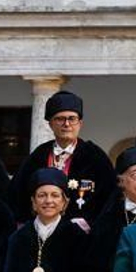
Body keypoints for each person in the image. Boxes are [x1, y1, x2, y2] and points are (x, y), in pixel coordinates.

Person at [9, 90, 115, 224]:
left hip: (83, 237)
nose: (66, 124)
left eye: (72, 118)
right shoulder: (38, 156)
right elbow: (18, 195)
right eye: (60, 119)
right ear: (50, 124)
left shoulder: (95, 157)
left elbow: (109, 199)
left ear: (80, 123)